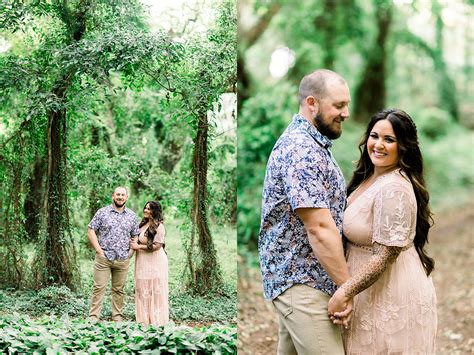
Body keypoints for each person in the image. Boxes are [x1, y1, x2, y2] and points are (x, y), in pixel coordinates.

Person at [328, 109, 437, 354]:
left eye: (389, 140)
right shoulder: (371, 178)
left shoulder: (394, 188)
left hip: (389, 289)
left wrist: (344, 292)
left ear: (404, 146)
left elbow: (386, 254)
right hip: (365, 286)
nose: (378, 144)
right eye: (375, 136)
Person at [259, 69, 352, 354]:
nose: (346, 113)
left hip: (306, 279)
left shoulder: (314, 144)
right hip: (303, 283)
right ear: (312, 103)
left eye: (346, 104)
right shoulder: (302, 149)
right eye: (338, 105)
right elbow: (319, 228)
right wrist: (347, 288)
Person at [88, 186, 140, 322]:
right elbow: (91, 230)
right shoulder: (102, 212)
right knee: (98, 288)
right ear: (113, 196)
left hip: (122, 259)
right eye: (118, 194)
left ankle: (117, 317)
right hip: (103, 258)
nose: (120, 197)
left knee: (119, 289)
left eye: (123, 195)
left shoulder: (132, 216)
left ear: (126, 197)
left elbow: (135, 235)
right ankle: (94, 317)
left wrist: (130, 253)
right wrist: (99, 251)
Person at [130, 200, 169, 326]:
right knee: (142, 288)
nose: (146, 210)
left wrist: (138, 247)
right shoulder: (142, 224)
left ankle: (157, 320)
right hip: (142, 260)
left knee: (155, 289)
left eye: (149, 209)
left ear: (155, 211)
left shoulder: (159, 226)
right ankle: (143, 320)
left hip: (156, 261)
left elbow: (157, 246)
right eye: (145, 208)